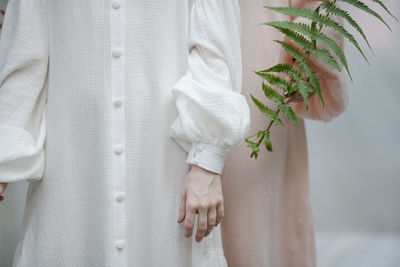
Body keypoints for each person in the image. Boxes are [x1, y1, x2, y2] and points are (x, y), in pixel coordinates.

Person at [0, 0, 250, 266]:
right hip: (73, 175)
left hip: (168, 170)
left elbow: (214, 52)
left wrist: (208, 161)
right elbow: (25, 63)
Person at [219, 0, 349, 266]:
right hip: (166, 84)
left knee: (250, 231)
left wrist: (302, 56)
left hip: (262, 92)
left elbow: (318, 9)